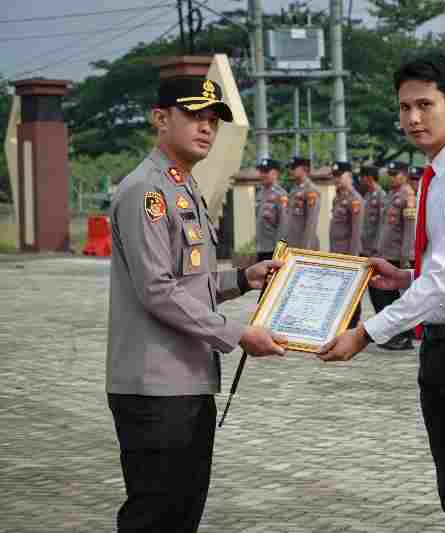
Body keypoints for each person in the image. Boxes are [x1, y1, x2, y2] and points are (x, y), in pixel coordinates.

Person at [319, 55, 445, 533]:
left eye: (425, 105)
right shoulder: (438, 172)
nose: (412, 118)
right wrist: (408, 275)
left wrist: (366, 333)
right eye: (404, 107)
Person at [106, 76, 287, 533]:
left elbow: (190, 282)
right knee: (155, 516)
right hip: (155, 386)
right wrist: (238, 333)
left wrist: (243, 279)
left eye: (212, 120)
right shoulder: (145, 192)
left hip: (187, 380)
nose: (206, 127)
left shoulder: (182, 188)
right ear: (160, 119)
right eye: (194, 116)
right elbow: (157, 290)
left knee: (182, 513)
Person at [374, 160, 417, 350]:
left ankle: (403, 336)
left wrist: (406, 256)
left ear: (404, 175)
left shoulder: (408, 195)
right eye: (390, 174)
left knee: (397, 299)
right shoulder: (392, 194)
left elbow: (409, 229)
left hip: (397, 255)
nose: (392, 178)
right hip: (387, 252)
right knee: (386, 296)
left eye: (395, 174)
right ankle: (393, 334)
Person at [329, 160, 365, 327]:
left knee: (351, 289)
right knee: (340, 288)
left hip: (348, 252)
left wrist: (353, 256)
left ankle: (352, 321)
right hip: (337, 250)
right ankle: (343, 320)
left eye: (339, 175)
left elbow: (356, 230)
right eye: (334, 176)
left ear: (349, 176)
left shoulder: (355, 199)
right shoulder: (338, 197)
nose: (337, 179)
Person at [359, 165, 393, 327]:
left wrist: (378, 249)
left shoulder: (380, 196)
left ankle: (385, 325)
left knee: (379, 291)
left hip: (375, 250)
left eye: (362, 177)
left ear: (369, 178)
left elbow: (382, 225)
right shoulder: (368, 195)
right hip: (366, 248)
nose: (361, 180)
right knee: (372, 291)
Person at [254, 157, 289, 261]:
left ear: (275, 173)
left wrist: (279, 250)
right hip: (261, 247)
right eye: (261, 171)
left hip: (273, 249)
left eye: (266, 172)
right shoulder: (260, 193)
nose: (262, 175)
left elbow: (283, 225)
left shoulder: (281, 195)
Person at [285, 156, 321, 250]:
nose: (290, 170)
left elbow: (311, 221)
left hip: (304, 246)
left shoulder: (311, 190)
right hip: (292, 244)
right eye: (290, 168)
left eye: (293, 168)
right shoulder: (294, 190)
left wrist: (306, 249)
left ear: (304, 169)